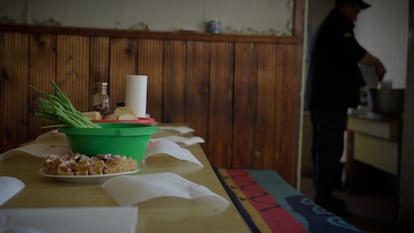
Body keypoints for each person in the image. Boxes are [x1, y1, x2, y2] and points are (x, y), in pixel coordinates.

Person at [306, 0, 386, 217]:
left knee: (323, 147)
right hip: (330, 101)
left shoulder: (332, 25)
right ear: (347, 6)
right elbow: (354, 52)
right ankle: (324, 198)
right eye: (356, 10)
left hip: (324, 99)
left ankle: (324, 195)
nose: (357, 15)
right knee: (329, 147)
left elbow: (345, 59)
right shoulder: (338, 25)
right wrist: (377, 63)